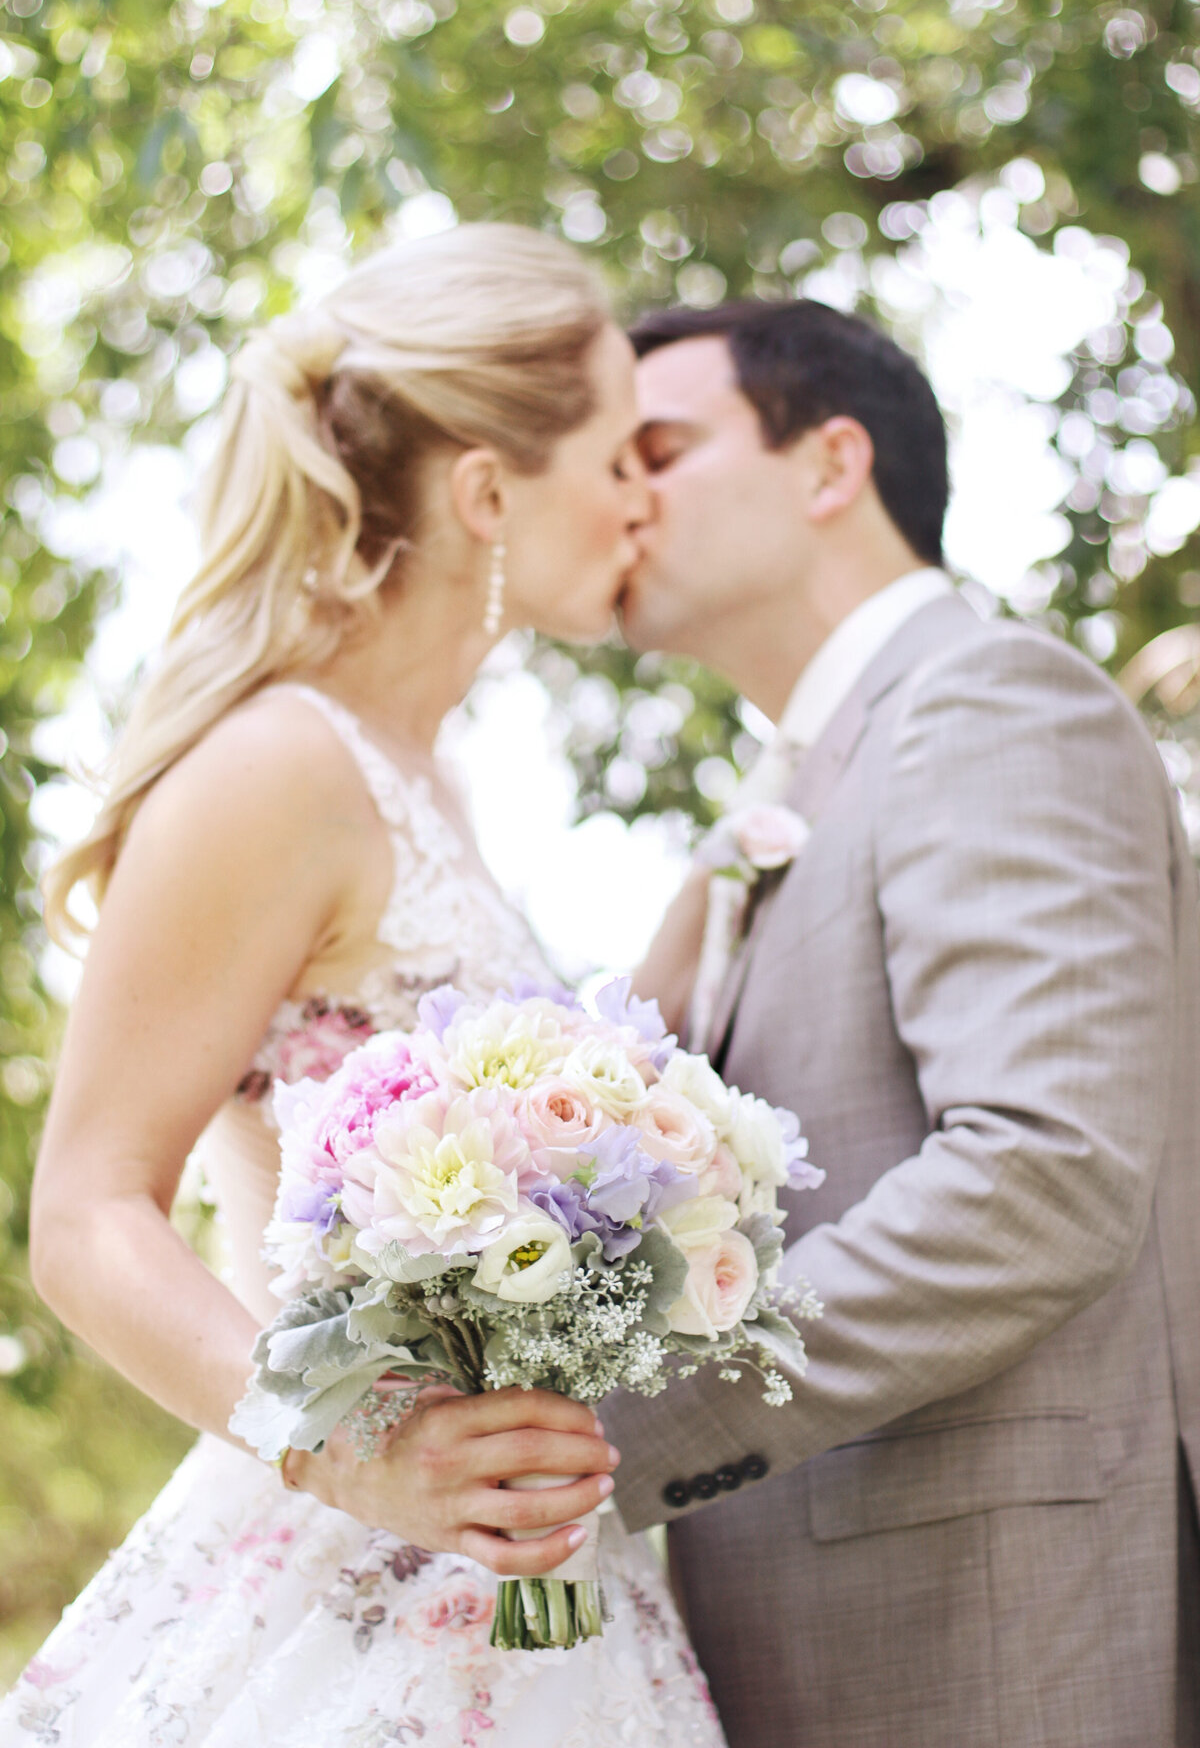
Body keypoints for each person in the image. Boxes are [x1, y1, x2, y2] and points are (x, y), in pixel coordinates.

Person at [0, 224, 726, 1748]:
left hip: (536, 1596)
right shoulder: (275, 766)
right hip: (344, 1586)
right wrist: (353, 1456)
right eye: (616, 460)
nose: (647, 501)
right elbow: (83, 1214)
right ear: (484, 493)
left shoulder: (429, 780)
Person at [605, 298, 1200, 1748]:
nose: (617, 498)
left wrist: (628, 1431)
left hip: (1005, 1630)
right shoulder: (792, 791)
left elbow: (1043, 1173)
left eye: (660, 451)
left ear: (829, 465)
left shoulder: (984, 701)